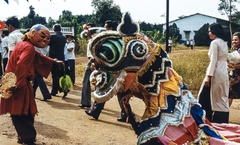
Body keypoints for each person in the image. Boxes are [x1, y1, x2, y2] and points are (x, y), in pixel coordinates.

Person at [0, 24, 64, 145]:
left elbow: (36, 56)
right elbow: (21, 65)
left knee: (25, 111)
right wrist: (17, 85)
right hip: (19, 84)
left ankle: (24, 137)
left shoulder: (24, 44)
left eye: (48, 38)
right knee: (21, 112)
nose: (45, 40)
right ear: (33, 33)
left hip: (16, 82)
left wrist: (53, 61)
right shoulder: (28, 47)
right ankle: (27, 139)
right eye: (43, 36)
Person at [85, 20, 128, 122]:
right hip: (119, 70)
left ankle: (95, 111)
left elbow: (105, 54)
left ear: (111, 29)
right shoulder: (120, 39)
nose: (105, 30)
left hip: (113, 70)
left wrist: (94, 60)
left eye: (106, 28)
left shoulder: (111, 41)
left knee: (103, 88)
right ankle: (125, 114)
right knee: (120, 94)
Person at [198, 23, 229, 123]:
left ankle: (206, 120)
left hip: (215, 71)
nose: (209, 33)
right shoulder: (224, 43)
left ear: (216, 31)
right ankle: (221, 121)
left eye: (210, 31)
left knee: (203, 97)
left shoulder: (215, 43)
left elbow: (213, 60)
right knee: (220, 97)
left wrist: (208, 76)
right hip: (223, 71)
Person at [78, 23, 96, 108]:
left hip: (92, 61)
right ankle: (97, 103)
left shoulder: (93, 40)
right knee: (97, 82)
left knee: (86, 81)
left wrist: (92, 63)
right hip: (95, 61)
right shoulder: (94, 39)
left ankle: (86, 102)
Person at [48, 24, 67, 98]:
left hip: (53, 58)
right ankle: (61, 89)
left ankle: (55, 91)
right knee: (61, 74)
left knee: (54, 75)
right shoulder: (64, 37)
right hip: (61, 57)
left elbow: (48, 43)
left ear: (54, 29)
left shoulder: (53, 37)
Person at [227, 32, 240, 107]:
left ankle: (225, 113)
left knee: (230, 94)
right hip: (235, 74)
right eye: (233, 40)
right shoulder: (235, 49)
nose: (234, 41)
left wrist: (232, 65)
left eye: (236, 40)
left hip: (238, 77)